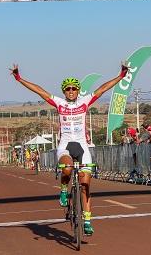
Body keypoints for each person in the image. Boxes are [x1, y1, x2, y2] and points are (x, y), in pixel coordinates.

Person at [11, 62, 129, 235]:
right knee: (66, 169)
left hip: (82, 145)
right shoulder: (59, 103)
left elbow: (102, 89)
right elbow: (39, 91)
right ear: (64, 91)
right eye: (68, 89)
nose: (71, 91)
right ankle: (64, 190)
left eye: (74, 88)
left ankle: (87, 220)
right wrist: (19, 78)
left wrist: (120, 76)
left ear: (78, 90)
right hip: (65, 145)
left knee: (85, 184)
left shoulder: (85, 101)